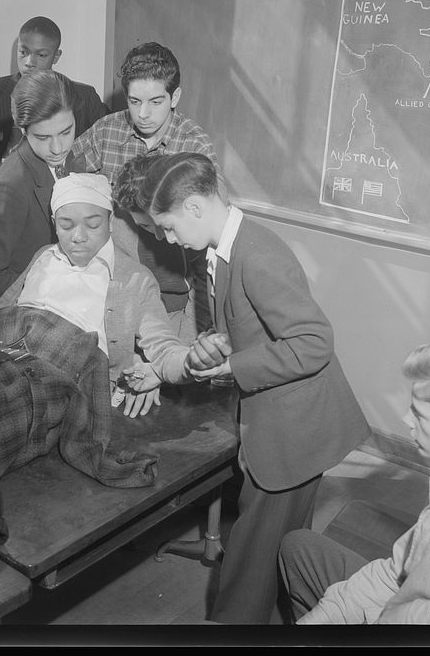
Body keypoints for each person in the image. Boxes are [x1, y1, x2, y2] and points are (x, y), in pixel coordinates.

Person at [141, 151, 371, 623]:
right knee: (283, 551)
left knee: (249, 563)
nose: (167, 238)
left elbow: (313, 342)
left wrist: (232, 368)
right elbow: (252, 327)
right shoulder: (228, 248)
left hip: (292, 435)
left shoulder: (256, 254)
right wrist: (216, 348)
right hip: (285, 428)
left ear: (194, 209)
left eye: (166, 226)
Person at [0, 173, 219, 419]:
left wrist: (192, 362)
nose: (78, 237)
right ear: (53, 222)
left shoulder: (135, 280)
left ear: (111, 222)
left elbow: (164, 349)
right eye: (66, 225)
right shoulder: (43, 255)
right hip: (3, 360)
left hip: (56, 386)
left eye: (93, 225)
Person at [278, 342, 430, 625]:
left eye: (419, 414)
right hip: (395, 606)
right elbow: (394, 575)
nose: (405, 419)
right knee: (298, 546)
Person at [66, 42, 218, 336]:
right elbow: (69, 186)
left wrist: (188, 338)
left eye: (156, 102)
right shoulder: (105, 130)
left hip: (169, 302)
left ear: (175, 96)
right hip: (109, 293)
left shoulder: (196, 148)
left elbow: (207, 257)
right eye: (134, 101)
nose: (143, 114)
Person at [0, 70, 74, 301]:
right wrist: (50, 294)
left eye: (66, 131)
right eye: (43, 137)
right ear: (23, 130)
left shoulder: (69, 158)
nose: (58, 148)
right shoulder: (8, 188)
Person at [0, 16, 107, 186]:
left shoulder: (84, 96)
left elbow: (104, 139)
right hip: (2, 190)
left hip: (60, 192)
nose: (29, 62)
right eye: (23, 52)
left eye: (41, 55)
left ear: (56, 56)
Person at [113, 154, 207, 341]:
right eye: (146, 227)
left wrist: (183, 349)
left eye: (165, 225)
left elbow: (199, 297)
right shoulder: (119, 223)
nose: (161, 235)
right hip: (137, 312)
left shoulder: (194, 230)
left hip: (182, 314)